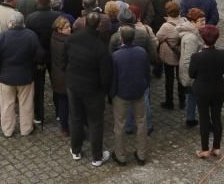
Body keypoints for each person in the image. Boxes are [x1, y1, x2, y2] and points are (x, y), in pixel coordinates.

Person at [62, 12, 113, 167]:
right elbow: (106, 75)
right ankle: (97, 157)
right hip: (93, 90)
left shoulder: (72, 38)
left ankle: (76, 150)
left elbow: (63, 61)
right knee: (95, 122)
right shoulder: (101, 47)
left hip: (73, 85)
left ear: (84, 22)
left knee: (76, 118)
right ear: (98, 26)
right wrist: (104, 90)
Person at [0, 12, 43, 137]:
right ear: (23, 23)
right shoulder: (31, 36)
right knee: (26, 104)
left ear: (10, 23)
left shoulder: (2, 37)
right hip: (25, 77)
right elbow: (40, 55)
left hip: (6, 77)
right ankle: (26, 129)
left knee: (7, 104)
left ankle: (7, 130)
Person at [110, 25, 150, 166]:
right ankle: (141, 154)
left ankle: (121, 156)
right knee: (141, 122)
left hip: (121, 94)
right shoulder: (142, 52)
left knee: (119, 125)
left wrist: (112, 94)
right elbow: (147, 72)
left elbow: (113, 78)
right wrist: (145, 86)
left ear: (121, 38)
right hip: (139, 92)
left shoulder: (116, 56)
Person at [188, 24, 224, 159]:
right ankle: (216, 147)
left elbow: (192, 74)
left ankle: (204, 149)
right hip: (218, 89)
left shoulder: (196, 57)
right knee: (217, 117)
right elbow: (223, 70)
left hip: (202, 90)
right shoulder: (222, 54)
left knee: (204, 118)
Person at [155, 1, 185, 110]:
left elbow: (158, 38)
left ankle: (169, 102)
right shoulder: (184, 21)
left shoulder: (166, 26)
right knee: (181, 78)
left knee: (169, 79)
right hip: (181, 54)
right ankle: (182, 101)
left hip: (169, 57)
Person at [50, 17, 72, 137]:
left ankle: (64, 128)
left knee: (62, 102)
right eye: (67, 27)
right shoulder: (67, 42)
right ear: (59, 29)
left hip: (57, 76)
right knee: (69, 103)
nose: (70, 29)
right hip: (66, 77)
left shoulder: (53, 37)